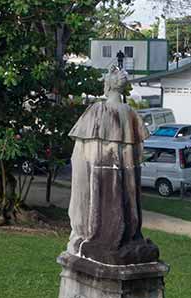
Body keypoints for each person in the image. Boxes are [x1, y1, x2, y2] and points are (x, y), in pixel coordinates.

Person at [65, 65, 159, 265]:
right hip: (126, 197)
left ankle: (97, 235)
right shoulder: (131, 114)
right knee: (123, 200)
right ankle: (124, 234)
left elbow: (80, 157)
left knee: (99, 203)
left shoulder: (97, 112)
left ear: (107, 86)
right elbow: (138, 158)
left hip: (100, 182)